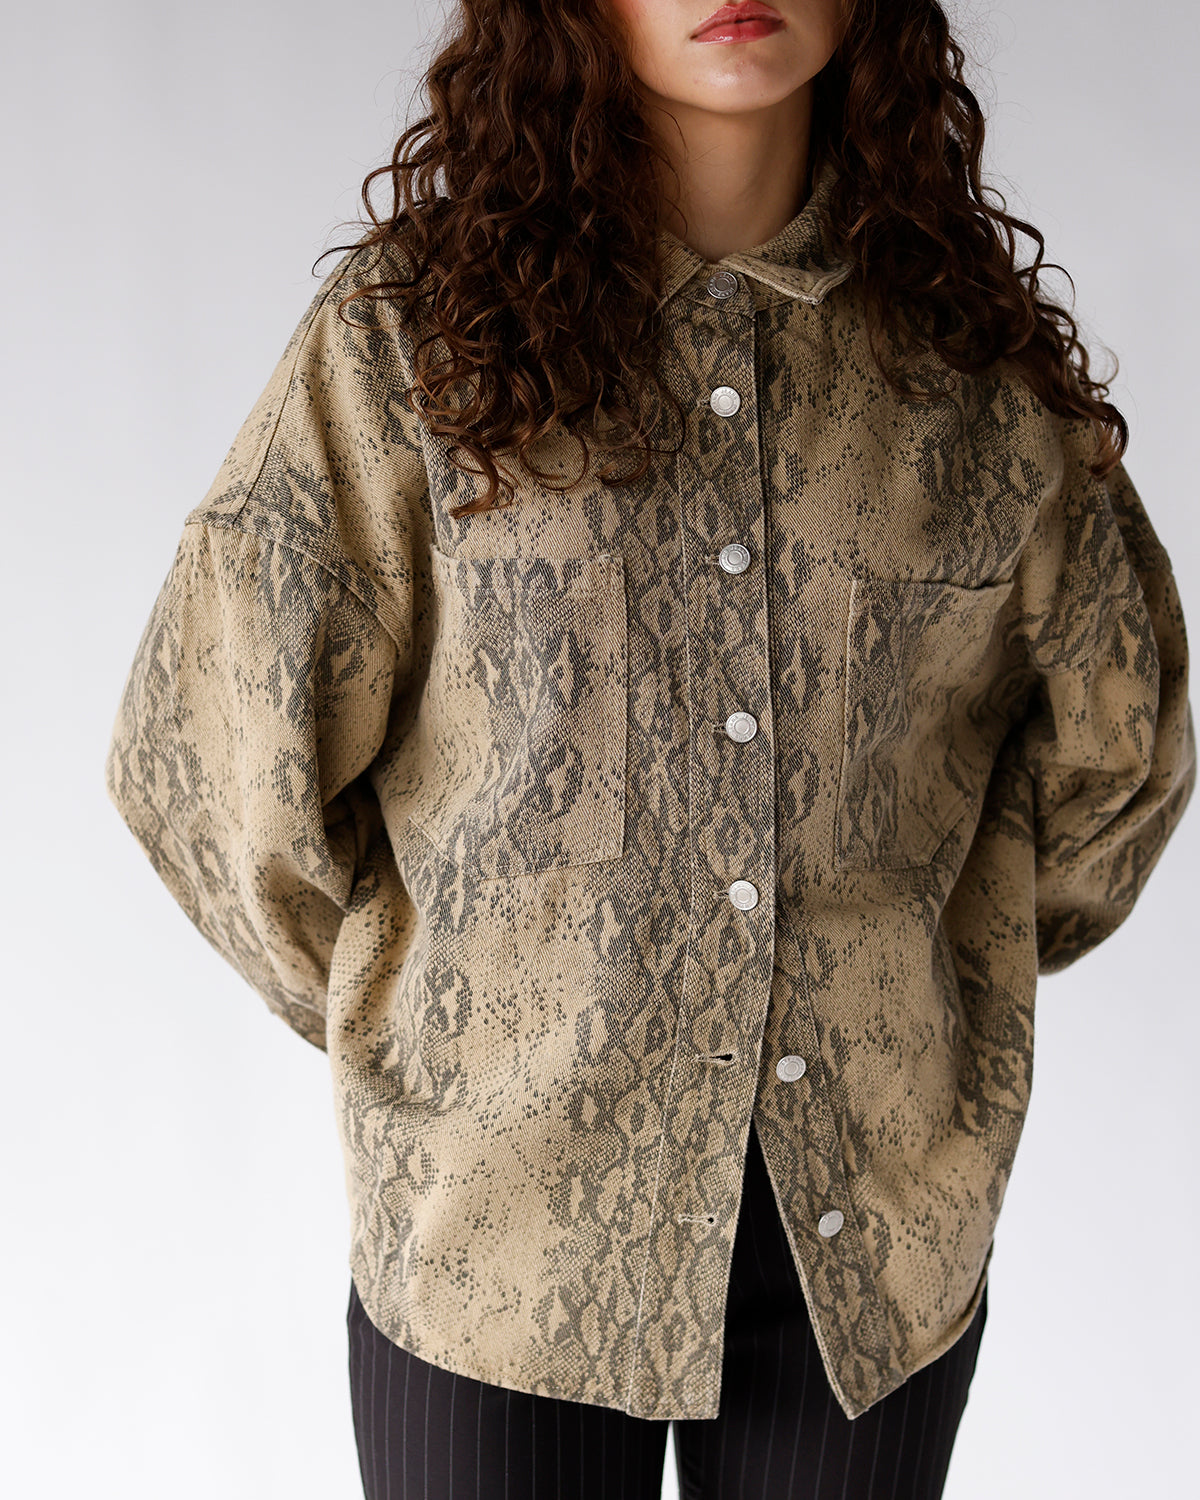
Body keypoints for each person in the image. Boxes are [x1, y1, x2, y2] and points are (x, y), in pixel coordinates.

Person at [103, 1, 1196, 1497]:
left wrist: (934, 988)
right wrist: (428, 1013)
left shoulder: (974, 382)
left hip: (867, 1249)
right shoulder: (412, 344)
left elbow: (1114, 761)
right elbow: (214, 755)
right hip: (502, 1244)